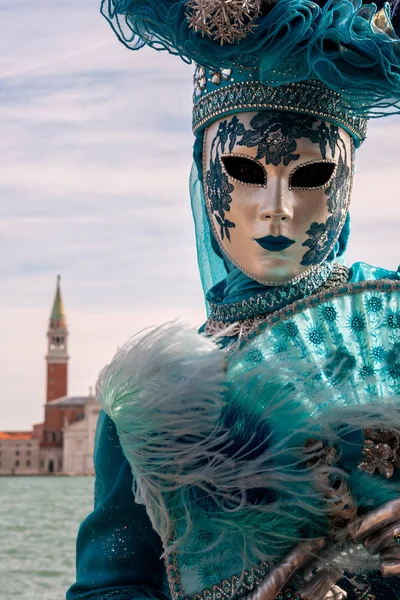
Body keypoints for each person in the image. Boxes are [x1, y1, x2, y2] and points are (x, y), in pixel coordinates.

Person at [67, 1, 400, 599]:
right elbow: (112, 586)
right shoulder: (153, 399)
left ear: (348, 186)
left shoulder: (389, 322)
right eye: (245, 169)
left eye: (311, 176)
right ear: (203, 173)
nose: (277, 206)